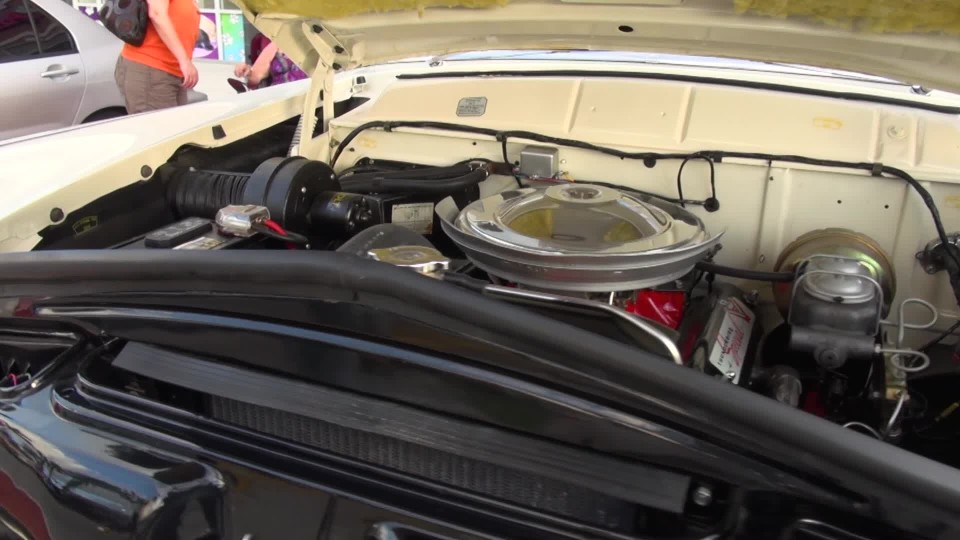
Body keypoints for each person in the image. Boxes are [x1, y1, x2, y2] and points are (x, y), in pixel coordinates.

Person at [114, 0, 200, 113]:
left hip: (171, 72)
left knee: (178, 127)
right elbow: (156, 13)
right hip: (151, 70)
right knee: (159, 128)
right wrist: (184, 60)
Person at [233, 34, 307, 89]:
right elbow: (256, 75)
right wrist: (247, 72)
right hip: (280, 98)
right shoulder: (275, 43)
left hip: (312, 97)